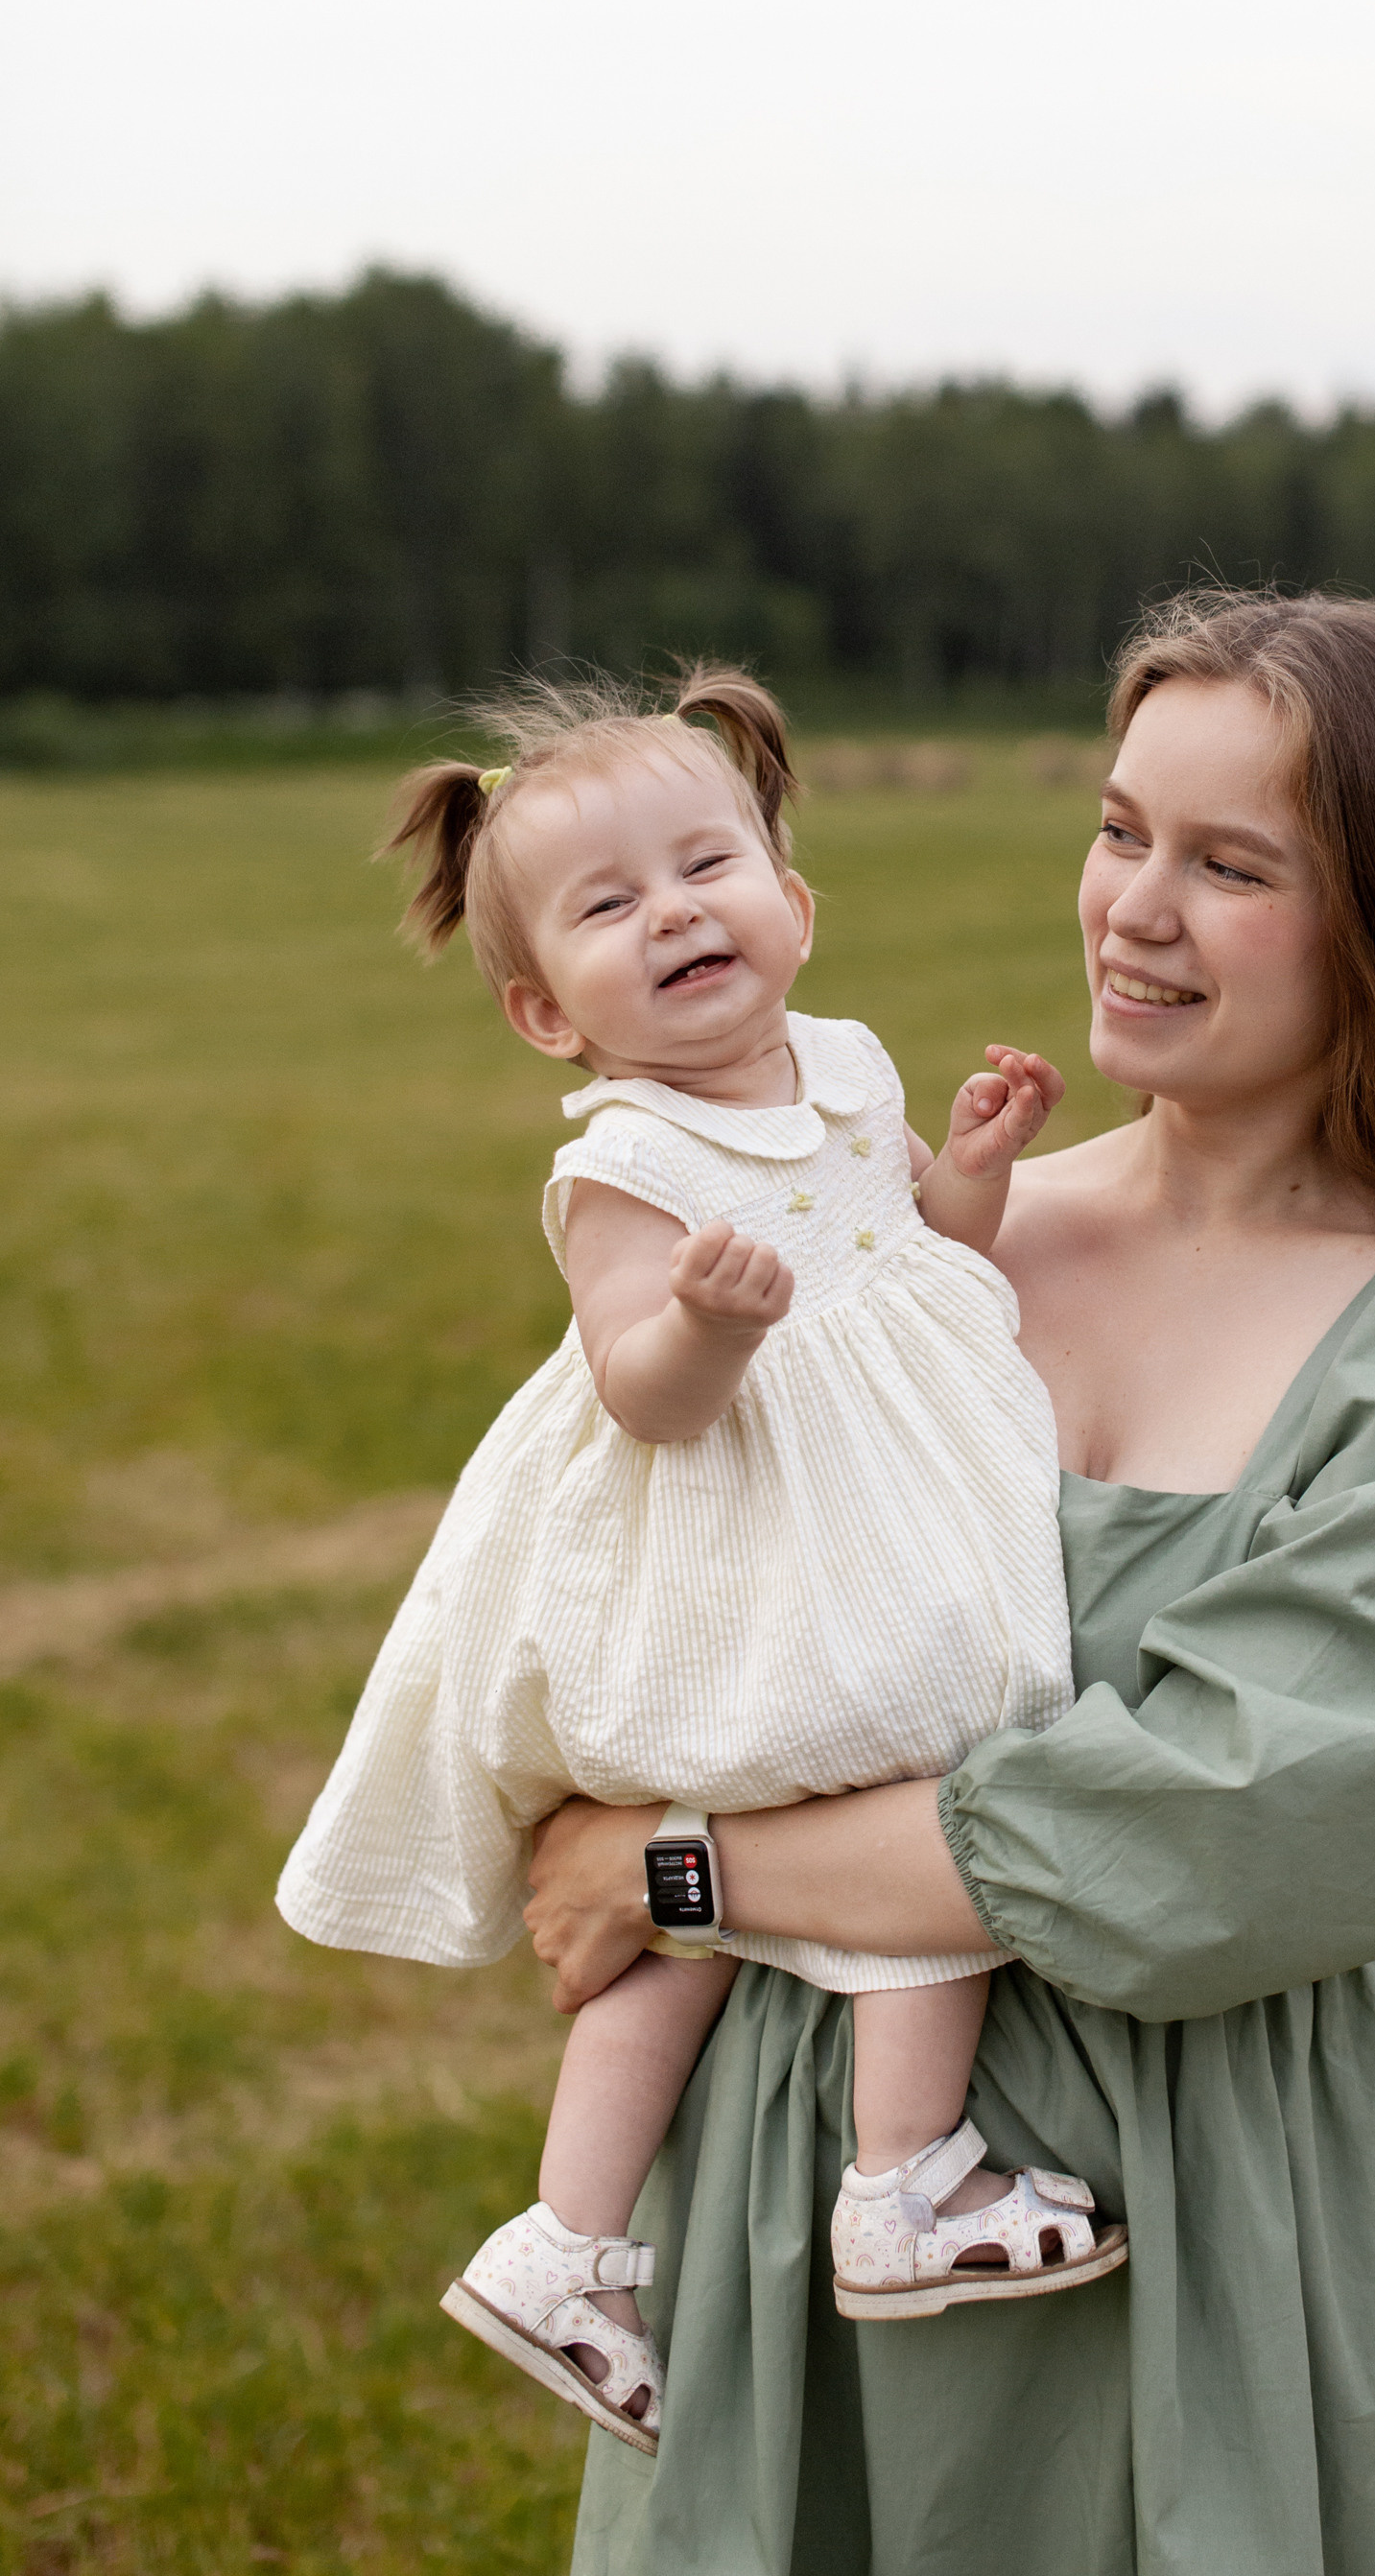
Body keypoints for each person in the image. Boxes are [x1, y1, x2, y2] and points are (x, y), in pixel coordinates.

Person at [526, 590, 1375, 2576]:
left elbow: (1228, 1834)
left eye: (1232, 867)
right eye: (1121, 830)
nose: (1134, 907)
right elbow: (633, 1588)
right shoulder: (905, 1257)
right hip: (781, 2173)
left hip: (1174, 2195)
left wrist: (676, 1866)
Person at [276, 668, 1126, 2460]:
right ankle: (856, 2191)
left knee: (754, 1885)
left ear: (792, 907)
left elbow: (914, 1247)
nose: (673, 913)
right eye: (607, 906)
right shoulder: (630, 1166)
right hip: (754, 1545)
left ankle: (595, 2239)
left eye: (706, 865)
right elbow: (638, 1392)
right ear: (543, 1014)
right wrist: (708, 1329)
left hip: (871, 1512)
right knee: (914, 1793)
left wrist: (971, 1168)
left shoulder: (845, 1066)